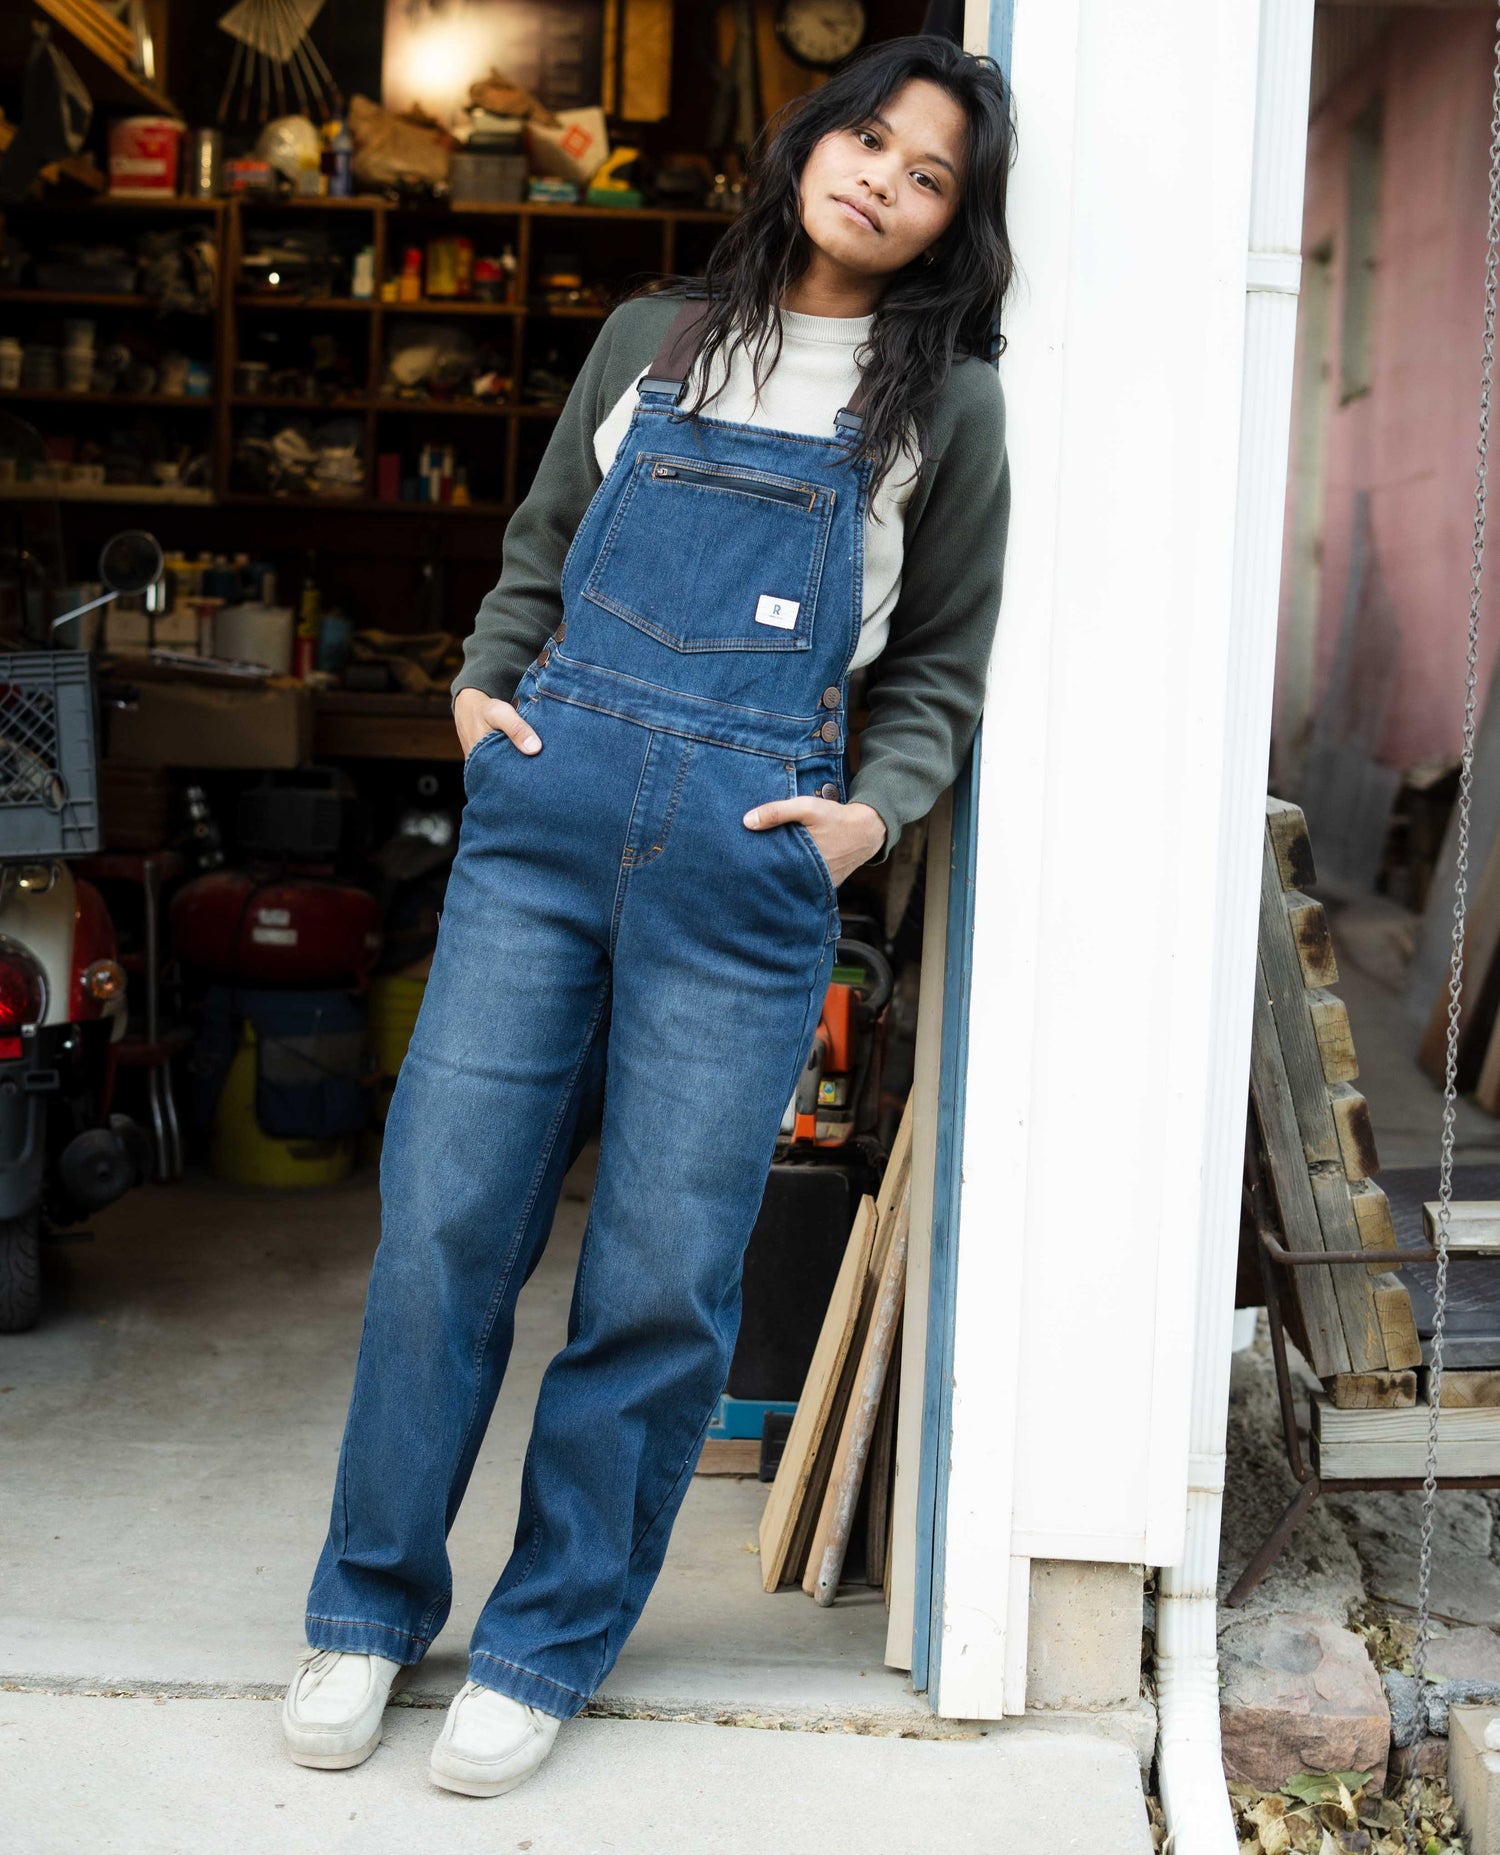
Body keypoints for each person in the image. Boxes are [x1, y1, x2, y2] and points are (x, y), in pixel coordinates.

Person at [283, 32, 1015, 1799]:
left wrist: (865, 817)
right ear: (813, 139)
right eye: (871, 144)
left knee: (660, 1282)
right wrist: (480, 694)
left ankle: (543, 1645)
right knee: (446, 1230)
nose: (885, 186)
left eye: (930, 180)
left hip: (745, 870)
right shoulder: (653, 335)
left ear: (951, 227)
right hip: (543, 836)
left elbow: (939, 665)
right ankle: (367, 1612)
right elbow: (541, 546)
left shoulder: (952, 407)